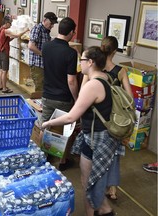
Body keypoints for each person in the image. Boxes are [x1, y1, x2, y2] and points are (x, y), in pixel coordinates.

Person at [42, 46, 118, 216]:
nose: (80, 63)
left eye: (82, 60)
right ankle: (103, 210)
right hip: (106, 137)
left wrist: (48, 123)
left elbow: (71, 116)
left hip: (96, 139)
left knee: (87, 182)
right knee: (94, 181)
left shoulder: (93, 86)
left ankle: (103, 210)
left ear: (90, 62)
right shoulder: (107, 77)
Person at [82, 36, 133, 201]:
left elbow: (83, 91)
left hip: (98, 119)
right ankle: (112, 190)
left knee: (94, 156)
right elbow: (129, 98)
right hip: (115, 120)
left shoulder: (95, 69)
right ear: (115, 51)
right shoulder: (121, 71)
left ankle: (96, 188)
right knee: (115, 155)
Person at [41, 17, 79, 171]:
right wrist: (77, 99)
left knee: (46, 126)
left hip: (47, 95)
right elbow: (72, 81)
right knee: (66, 131)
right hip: (63, 98)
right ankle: (63, 161)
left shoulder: (46, 46)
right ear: (71, 33)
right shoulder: (71, 53)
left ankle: (44, 156)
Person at [0, 16, 29, 93]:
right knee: (5, 71)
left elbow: (6, 39)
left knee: (1, 70)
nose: (11, 25)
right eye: (10, 23)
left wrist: (13, 38)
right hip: (4, 52)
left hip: (0, 51)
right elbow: (17, 35)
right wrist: (25, 31)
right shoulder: (5, 31)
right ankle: (4, 88)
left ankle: (0, 85)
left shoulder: (0, 29)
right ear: (6, 23)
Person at [28, 12, 58, 93]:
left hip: (43, 64)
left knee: (44, 87)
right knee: (39, 89)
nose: (52, 26)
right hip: (37, 65)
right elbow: (31, 46)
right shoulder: (37, 29)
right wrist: (43, 54)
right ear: (45, 20)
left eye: (53, 24)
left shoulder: (46, 31)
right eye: (51, 23)